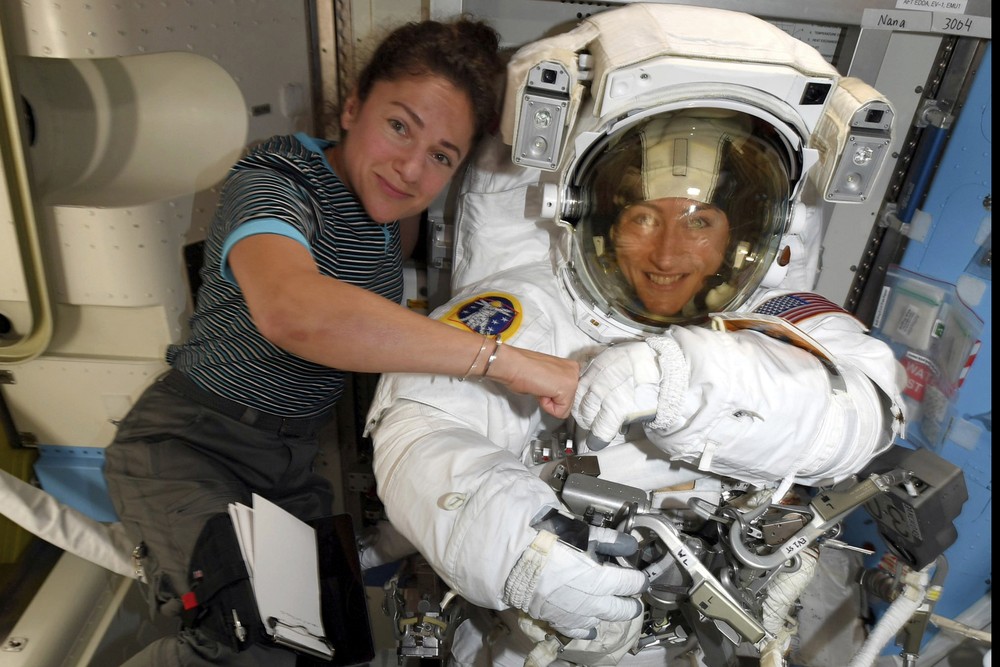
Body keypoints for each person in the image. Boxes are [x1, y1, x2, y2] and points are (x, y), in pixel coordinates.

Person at [363, 7, 907, 665]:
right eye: (644, 217)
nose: (670, 254)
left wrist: (682, 378)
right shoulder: (532, 309)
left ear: (743, 232)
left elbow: (862, 410)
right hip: (540, 636)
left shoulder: (779, 319)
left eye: (702, 222)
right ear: (593, 218)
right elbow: (420, 426)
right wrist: (524, 548)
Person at [102, 16, 579, 667]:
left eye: (443, 155)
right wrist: (509, 364)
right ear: (353, 106)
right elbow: (294, 312)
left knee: (330, 652)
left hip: (290, 465)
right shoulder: (278, 176)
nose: (411, 168)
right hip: (191, 444)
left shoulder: (395, 225)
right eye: (399, 125)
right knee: (247, 645)